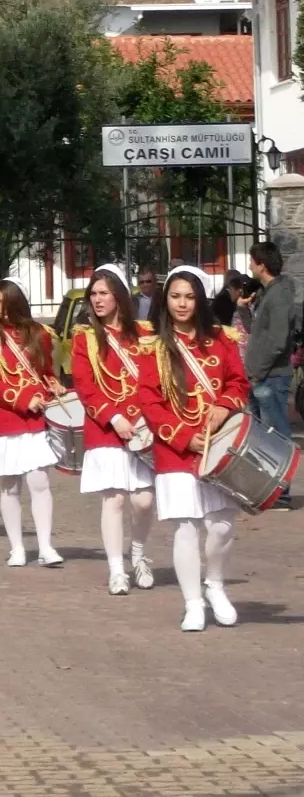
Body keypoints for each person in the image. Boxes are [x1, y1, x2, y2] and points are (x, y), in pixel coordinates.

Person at [135, 266, 249, 631]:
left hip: (218, 447)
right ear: (165, 301)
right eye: (175, 296)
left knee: (221, 526)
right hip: (175, 450)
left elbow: (238, 384)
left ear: (198, 299)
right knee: (185, 528)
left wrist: (225, 403)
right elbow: (149, 402)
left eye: (189, 296)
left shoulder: (221, 339)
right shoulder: (152, 347)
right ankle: (192, 603)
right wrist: (183, 436)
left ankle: (214, 584)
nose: (182, 304)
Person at [70, 264, 156, 596]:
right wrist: (113, 417)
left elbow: (155, 379)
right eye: (93, 294)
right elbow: (84, 385)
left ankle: (138, 554)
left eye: (103, 292)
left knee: (145, 501)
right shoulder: (85, 337)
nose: (97, 299)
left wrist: (146, 419)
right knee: (114, 499)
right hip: (105, 428)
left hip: (143, 428)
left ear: (119, 294)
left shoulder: (146, 334)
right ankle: (116, 569)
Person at [0, 277, 64, 567]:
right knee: (9, 486)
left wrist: (54, 386)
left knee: (39, 482)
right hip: (5, 416)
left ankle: (46, 546)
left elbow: (47, 371)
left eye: (6, 302)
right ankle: (17, 547)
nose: (1, 309)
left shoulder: (40, 333)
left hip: (34, 419)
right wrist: (24, 399)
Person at [245, 241, 297, 510]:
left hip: (270, 376)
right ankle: (267, 489)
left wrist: (259, 371)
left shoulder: (279, 297)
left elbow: (277, 341)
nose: (250, 265)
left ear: (261, 264)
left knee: (275, 434)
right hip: (260, 374)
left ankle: (282, 493)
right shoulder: (268, 293)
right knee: (260, 436)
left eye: (252, 261)